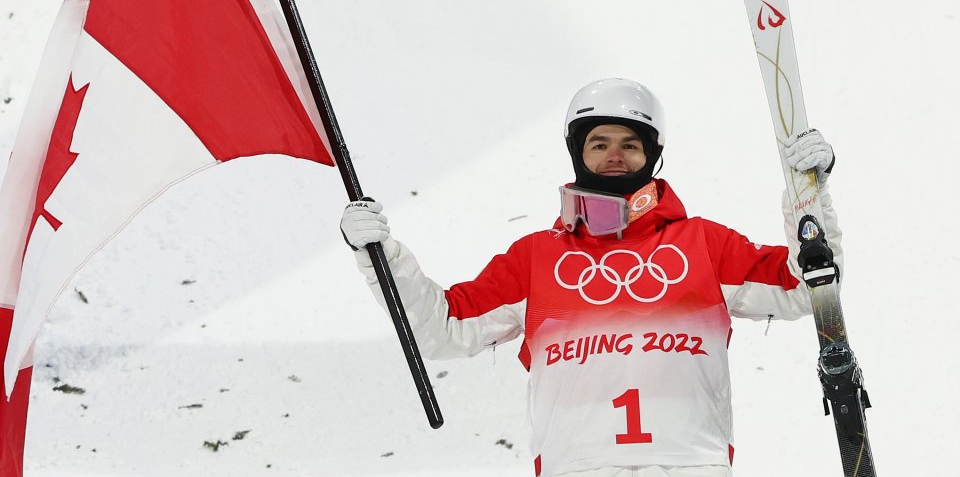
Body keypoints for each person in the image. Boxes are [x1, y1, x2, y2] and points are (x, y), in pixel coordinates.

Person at [340, 78, 841, 477]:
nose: (614, 155)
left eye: (630, 143)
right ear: (578, 153)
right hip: (576, 466)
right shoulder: (536, 256)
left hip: (691, 463)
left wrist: (808, 192)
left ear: (653, 155)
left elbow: (804, 284)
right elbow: (443, 327)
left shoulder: (701, 243)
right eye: (598, 143)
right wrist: (379, 256)